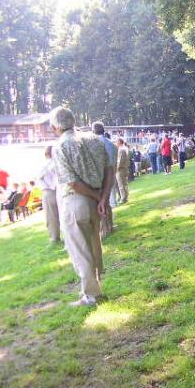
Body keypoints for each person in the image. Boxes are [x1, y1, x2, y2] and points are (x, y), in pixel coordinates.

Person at [50, 106, 113, 306]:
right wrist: (102, 198)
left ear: (56, 126)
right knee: (95, 246)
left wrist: (96, 196)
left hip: (76, 200)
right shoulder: (94, 139)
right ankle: (96, 288)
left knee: (80, 249)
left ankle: (91, 295)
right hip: (96, 200)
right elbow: (109, 171)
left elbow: (72, 183)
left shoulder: (60, 146)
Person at [93, 122, 117, 238]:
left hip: (101, 177)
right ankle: (110, 225)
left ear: (93, 131)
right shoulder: (111, 144)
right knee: (107, 202)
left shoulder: (95, 144)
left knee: (101, 202)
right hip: (111, 175)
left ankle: (105, 229)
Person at [38, 146, 61, 243]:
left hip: (49, 191)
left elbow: (39, 177)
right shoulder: (58, 163)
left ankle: (54, 237)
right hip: (59, 190)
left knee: (51, 217)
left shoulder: (45, 165)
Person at [116, 138, 129, 204]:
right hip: (122, 169)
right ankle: (123, 197)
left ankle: (124, 198)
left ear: (119, 142)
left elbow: (120, 161)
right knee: (122, 184)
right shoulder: (122, 149)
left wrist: (116, 168)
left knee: (121, 184)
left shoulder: (121, 150)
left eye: (116, 141)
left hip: (121, 169)